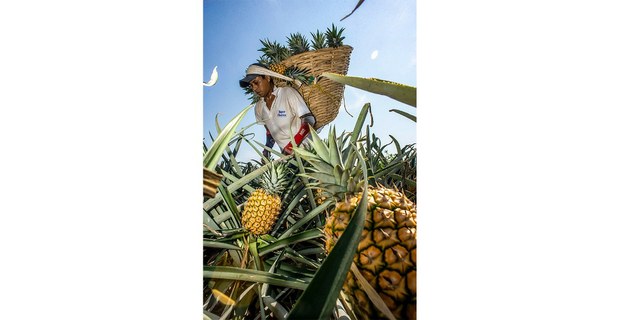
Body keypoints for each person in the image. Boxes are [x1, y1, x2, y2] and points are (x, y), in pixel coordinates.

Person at [239, 63, 315, 159]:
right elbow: (270, 132)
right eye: (251, 86)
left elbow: (309, 120)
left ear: (267, 77)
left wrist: (292, 146)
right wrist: (267, 149)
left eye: (256, 82)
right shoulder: (258, 108)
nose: (254, 88)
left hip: (308, 153)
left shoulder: (287, 93)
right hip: (288, 159)